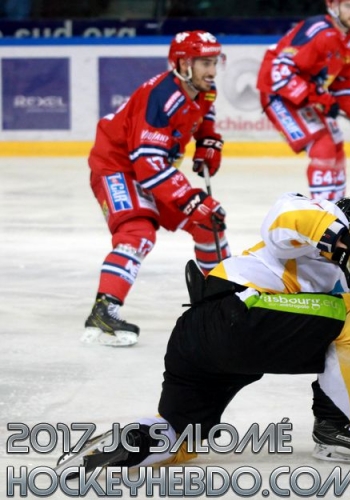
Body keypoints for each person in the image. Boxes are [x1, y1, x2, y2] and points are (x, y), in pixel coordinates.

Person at [55, 193, 350, 471]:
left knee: (181, 439)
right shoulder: (313, 236)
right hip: (238, 313)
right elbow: (284, 216)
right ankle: (334, 431)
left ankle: (96, 458)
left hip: (199, 341)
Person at [83, 31, 231, 347]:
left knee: (210, 222)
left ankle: (221, 302)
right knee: (138, 232)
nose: (212, 70)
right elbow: (146, 162)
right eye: (205, 62)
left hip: (150, 168)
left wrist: (208, 141)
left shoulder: (204, 90)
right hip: (117, 167)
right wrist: (190, 199)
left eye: (214, 61)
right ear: (182, 63)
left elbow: (205, 118)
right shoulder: (160, 96)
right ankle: (103, 311)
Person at [256, 0, 350, 202]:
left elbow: (341, 86)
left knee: (336, 143)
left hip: (306, 93)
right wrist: (320, 98)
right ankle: (323, 216)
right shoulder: (318, 31)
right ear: (333, 7)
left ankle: (337, 210)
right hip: (278, 93)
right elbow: (279, 72)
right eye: (348, 6)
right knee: (322, 144)